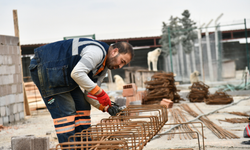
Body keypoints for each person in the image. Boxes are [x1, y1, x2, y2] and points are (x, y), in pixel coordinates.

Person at [29, 38, 134, 144]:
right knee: (67, 111)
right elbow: (77, 74)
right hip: (46, 67)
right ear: (114, 51)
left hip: (63, 75)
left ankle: (84, 146)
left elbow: (89, 94)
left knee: (82, 105)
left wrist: (106, 107)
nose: (120, 66)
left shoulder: (103, 67)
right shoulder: (96, 52)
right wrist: (100, 93)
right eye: (122, 61)